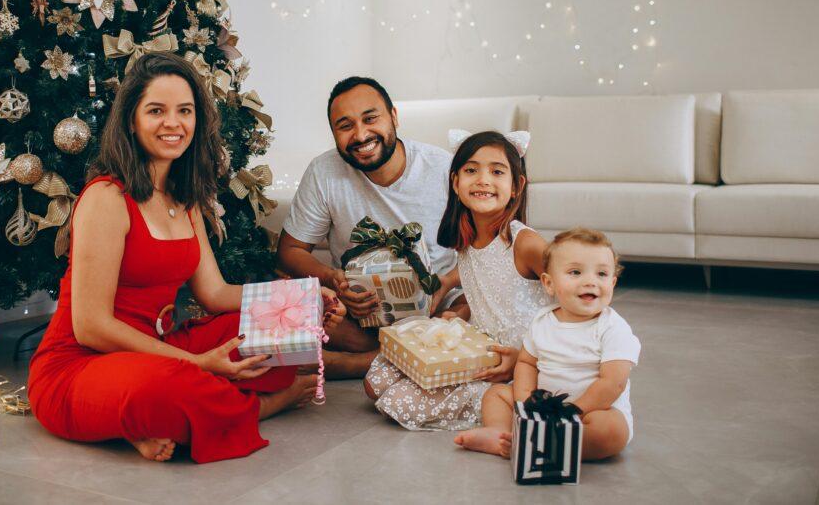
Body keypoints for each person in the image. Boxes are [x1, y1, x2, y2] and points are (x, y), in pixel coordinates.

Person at [28, 54, 344, 463]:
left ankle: (147, 423)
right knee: (172, 388)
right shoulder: (107, 197)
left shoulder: (185, 198)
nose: (173, 123)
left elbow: (214, 293)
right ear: (131, 120)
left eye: (185, 111)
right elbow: (90, 327)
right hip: (80, 366)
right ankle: (259, 408)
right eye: (156, 110)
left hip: (156, 348)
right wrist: (198, 364)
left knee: (271, 334)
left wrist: (301, 296)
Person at [276, 77, 465, 378]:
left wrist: (447, 283)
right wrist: (333, 280)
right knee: (295, 304)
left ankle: (354, 363)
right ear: (334, 133)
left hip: (438, 307)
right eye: (345, 125)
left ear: (394, 117)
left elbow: (488, 247)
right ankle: (400, 352)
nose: (361, 135)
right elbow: (290, 251)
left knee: (475, 309)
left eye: (370, 118)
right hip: (361, 314)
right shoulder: (323, 172)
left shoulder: (443, 168)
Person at [364, 130, 553, 429]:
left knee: (394, 402)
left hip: (523, 365)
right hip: (481, 349)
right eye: (471, 170)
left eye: (497, 171)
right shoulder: (467, 240)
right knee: (375, 382)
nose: (483, 180)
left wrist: (524, 359)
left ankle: (501, 405)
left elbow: (571, 301)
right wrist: (458, 305)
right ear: (455, 181)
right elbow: (483, 279)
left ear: (516, 186)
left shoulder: (526, 245)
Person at [455, 227, 641, 460]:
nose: (590, 282)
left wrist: (572, 411)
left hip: (588, 412)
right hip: (542, 407)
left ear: (613, 283)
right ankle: (501, 434)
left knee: (612, 430)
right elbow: (526, 363)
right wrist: (527, 401)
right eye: (575, 272)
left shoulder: (614, 328)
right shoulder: (543, 321)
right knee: (497, 395)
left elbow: (613, 383)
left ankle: (553, 443)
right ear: (549, 283)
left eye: (601, 274)